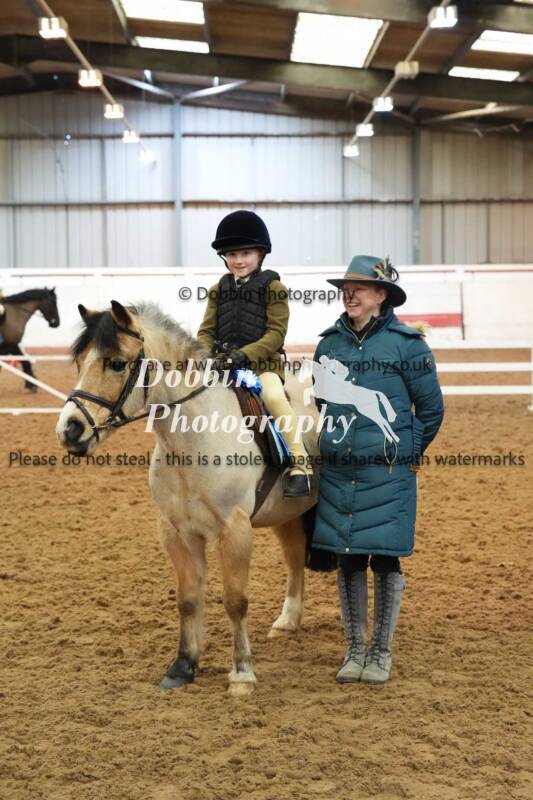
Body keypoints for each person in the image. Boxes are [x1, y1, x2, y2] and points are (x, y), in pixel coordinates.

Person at [312, 254, 444, 684]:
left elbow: (431, 409)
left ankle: (380, 652)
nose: (349, 295)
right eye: (345, 290)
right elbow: (322, 402)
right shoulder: (328, 344)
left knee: (385, 557)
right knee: (348, 557)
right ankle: (355, 649)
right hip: (340, 470)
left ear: (381, 295)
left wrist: (407, 452)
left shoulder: (409, 345)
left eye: (359, 289)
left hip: (388, 472)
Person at [196, 209, 312, 497]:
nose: (238, 260)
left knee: (273, 397)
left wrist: (245, 355)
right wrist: (206, 354)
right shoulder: (217, 290)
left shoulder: (274, 288)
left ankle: (300, 464)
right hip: (224, 365)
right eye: (231, 254)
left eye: (245, 253)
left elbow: (276, 334)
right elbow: (206, 331)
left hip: (263, 366)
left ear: (260, 253)